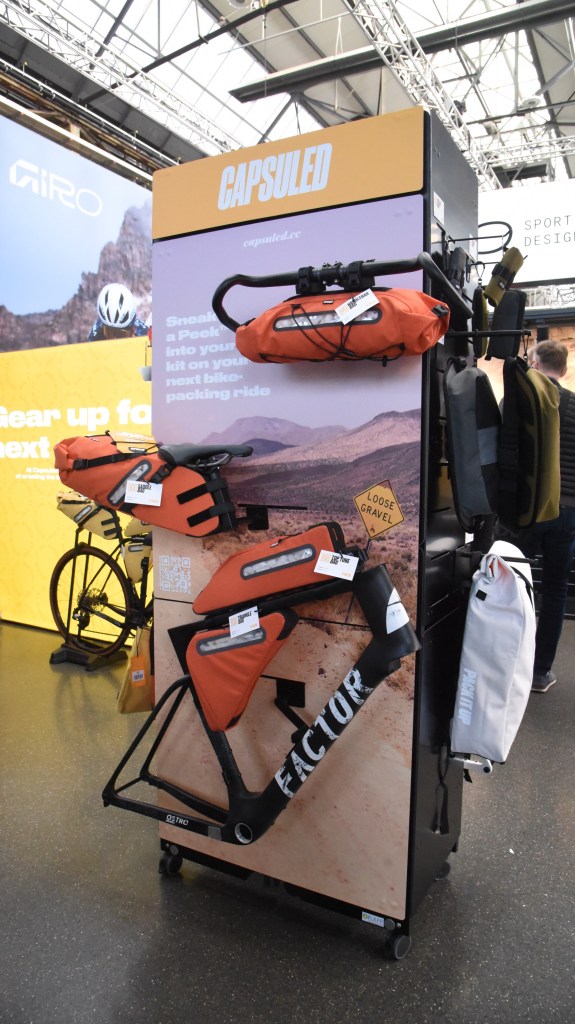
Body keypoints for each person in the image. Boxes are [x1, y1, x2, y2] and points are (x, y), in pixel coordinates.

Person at [521, 340, 575, 692]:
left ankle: (510, 665)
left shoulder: (522, 401)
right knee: (555, 590)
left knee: (513, 585)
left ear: (536, 363)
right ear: (564, 370)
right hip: (567, 510)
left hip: (526, 509)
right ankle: (540, 672)